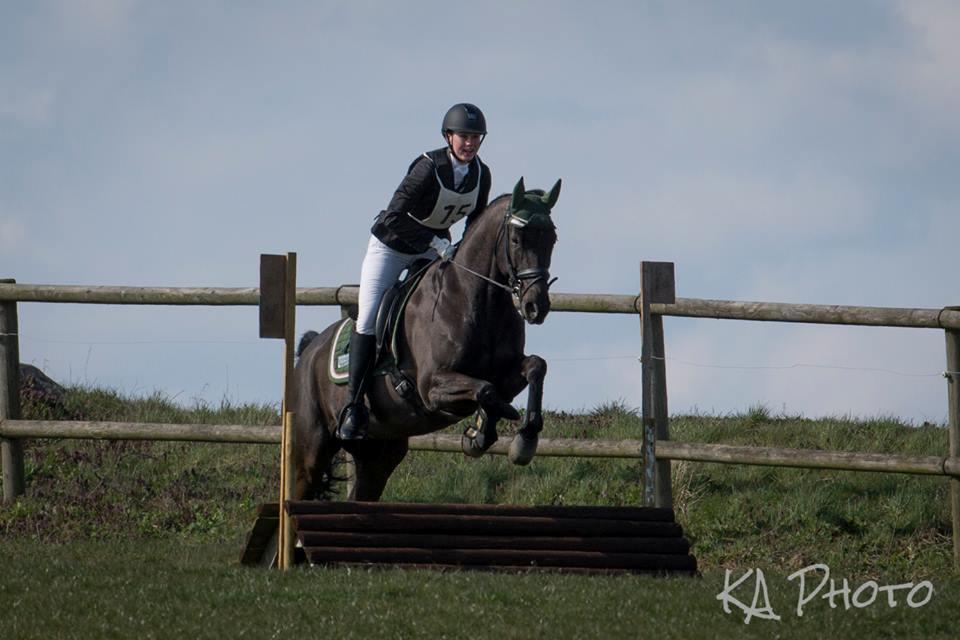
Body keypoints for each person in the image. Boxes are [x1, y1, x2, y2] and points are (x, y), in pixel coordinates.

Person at [337, 103, 493, 440]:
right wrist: (437, 243)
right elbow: (392, 215)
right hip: (391, 246)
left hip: (432, 252)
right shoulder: (427, 168)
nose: (470, 143)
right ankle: (353, 406)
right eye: (464, 136)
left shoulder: (482, 174)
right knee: (368, 317)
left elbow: (475, 224)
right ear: (448, 136)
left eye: (475, 138)